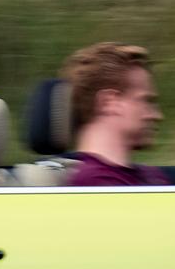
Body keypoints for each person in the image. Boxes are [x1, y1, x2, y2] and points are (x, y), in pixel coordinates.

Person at [60, 41, 168, 187]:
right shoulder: (95, 185)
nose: (157, 115)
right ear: (109, 102)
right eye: (146, 101)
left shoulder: (149, 175)